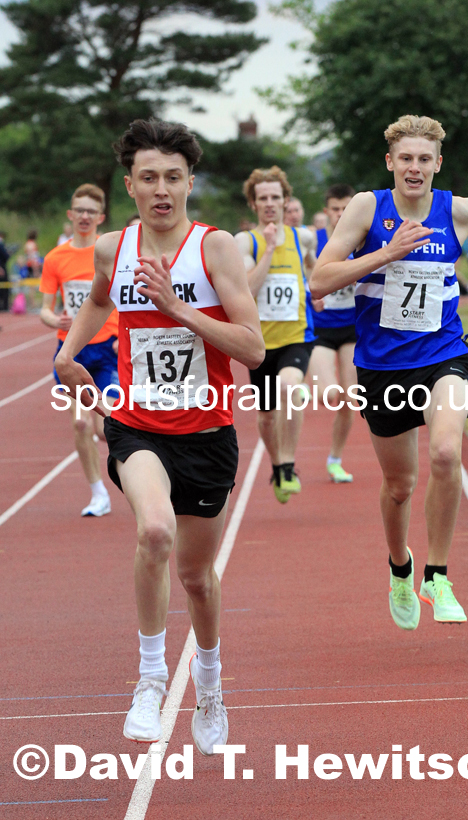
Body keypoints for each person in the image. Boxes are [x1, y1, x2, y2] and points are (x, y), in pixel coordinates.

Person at [55, 118, 264, 750]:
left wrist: (177, 308)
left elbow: (252, 348)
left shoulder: (218, 248)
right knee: (153, 530)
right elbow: (96, 300)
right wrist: (68, 354)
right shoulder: (111, 248)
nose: (162, 189)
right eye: (149, 178)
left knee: (197, 579)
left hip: (207, 432)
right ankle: (149, 678)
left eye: (173, 177)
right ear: (131, 185)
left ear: (190, 182)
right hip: (135, 424)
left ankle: (210, 678)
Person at [311, 115, 468, 628]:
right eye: (405, 158)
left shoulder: (460, 210)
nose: (415, 167)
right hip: (382, 365)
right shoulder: (368, 207)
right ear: (390, 163)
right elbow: (320, 280)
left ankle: (438, 574)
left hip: (444, 352)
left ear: (438, 164)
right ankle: (400, 566)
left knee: (448, 451)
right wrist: (387, 252)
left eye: (424, 159)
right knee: (400, 484)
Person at [235, 167, 316, 503]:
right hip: (261, 343)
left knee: (290, 386)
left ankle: (288, 463)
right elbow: (247, 289)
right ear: (254, 204)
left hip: (298, 334)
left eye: (275, 197)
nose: (270, 204)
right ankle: (277, 462)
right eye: (263, 198)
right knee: (267, 416)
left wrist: (316, 287)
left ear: (286, 201)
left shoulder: (304, 237)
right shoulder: (245, 242)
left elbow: (312, 264)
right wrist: (268, 249)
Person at [40, 184, 118, 517]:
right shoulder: (55, 259)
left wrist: (122, 335)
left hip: (107, 351)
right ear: (71, 215)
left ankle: (140, 478)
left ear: (100, 217)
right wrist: (54, 317)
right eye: (79, 210)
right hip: (70, 353)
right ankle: (98, 493)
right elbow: (45, 308)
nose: (84, 216)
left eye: (91, 211)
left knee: (108, 424)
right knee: (82, 425)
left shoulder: (109, 253)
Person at [308, 183, 357, 483]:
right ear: (326, 211)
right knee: (330, 394)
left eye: (345, 209)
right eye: (335, 209)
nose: (340, 214)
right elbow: (296, 276)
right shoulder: (314, 240)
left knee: (351, 398)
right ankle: (307, 378)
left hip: (352, 328)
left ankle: (335, 459)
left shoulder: (364, 239)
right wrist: (310, 292)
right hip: (321, 329)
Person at [0, 232, 10, 312]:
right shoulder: (0, 244)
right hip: (1, 267)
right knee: (4, 287)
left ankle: (4, 305)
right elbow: (5, 256)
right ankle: (4, 306)